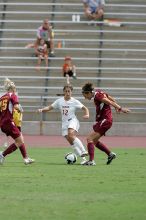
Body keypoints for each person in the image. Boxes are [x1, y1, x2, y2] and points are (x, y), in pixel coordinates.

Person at [37, 84, 89, 164]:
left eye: (69, 91)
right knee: (71, 141)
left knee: (71, 134)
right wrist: (41, 110)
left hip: (72, 120)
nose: (67, 93)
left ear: (71, 92)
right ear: (64, 92)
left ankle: (83, 150)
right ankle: (84, 159)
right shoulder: (59, 101)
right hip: (64, 123)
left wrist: (87, 114)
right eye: (66, 91)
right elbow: (49, 108)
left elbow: (85, 108)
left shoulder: (74, 101)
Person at [81, 83, 131, 166]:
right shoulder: (99, 92)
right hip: (105, 120)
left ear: (88, 92)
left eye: (85, 95)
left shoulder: (97, 96)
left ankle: (91, 161)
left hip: (105, 120)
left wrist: (120, 108)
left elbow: (108, 101)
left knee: (89, 138)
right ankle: (110, 154)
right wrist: (116, 107)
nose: (85, 97)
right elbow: (110, 98)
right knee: (94, 141)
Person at [0, 78, 35, 165]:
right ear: (13, 89)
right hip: (9, 122)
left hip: (3, 123)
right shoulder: (13, 95)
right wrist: (20, 109)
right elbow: (15, 106)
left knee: (20, 139)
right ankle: (2, 154)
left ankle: (26, 158)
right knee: (20, 141)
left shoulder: (2, 98)